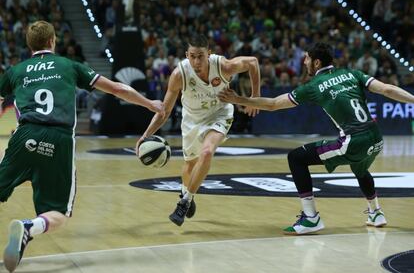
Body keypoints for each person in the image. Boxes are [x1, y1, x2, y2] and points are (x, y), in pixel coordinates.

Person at [0, 20, 164, 272]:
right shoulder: (69, 66)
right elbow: (117, 89)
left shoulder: (15, 71)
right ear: (53, 41)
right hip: (59, 141)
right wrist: (149, 104)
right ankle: (30, 228)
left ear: (28, 45)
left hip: (24, 135)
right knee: (58, 214)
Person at [218, 42, 414, 235]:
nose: (304, 62)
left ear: (317, 63)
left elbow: (274, 104)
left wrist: (238, 99)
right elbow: (388, 89)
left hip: (353, 141)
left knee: (296, 158)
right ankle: (376, 213)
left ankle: (311, 218)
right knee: (359, 167)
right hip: (376, 138)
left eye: (307, 58)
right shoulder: (352, 73)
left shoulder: (314, 86)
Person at [136, 34, 260, 226]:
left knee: (207, 152)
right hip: (192, 120)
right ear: (187, 54)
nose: (196, 61)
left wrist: (255, 97)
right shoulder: (179, 74)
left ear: (209, 54)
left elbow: (252, 62)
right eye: (192, 56)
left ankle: (184, 203)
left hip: (220, 113)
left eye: (200, 56)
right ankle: (187, 192)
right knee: (189, 165)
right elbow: (165, 111)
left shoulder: (223, 66)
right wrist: (145, 135)